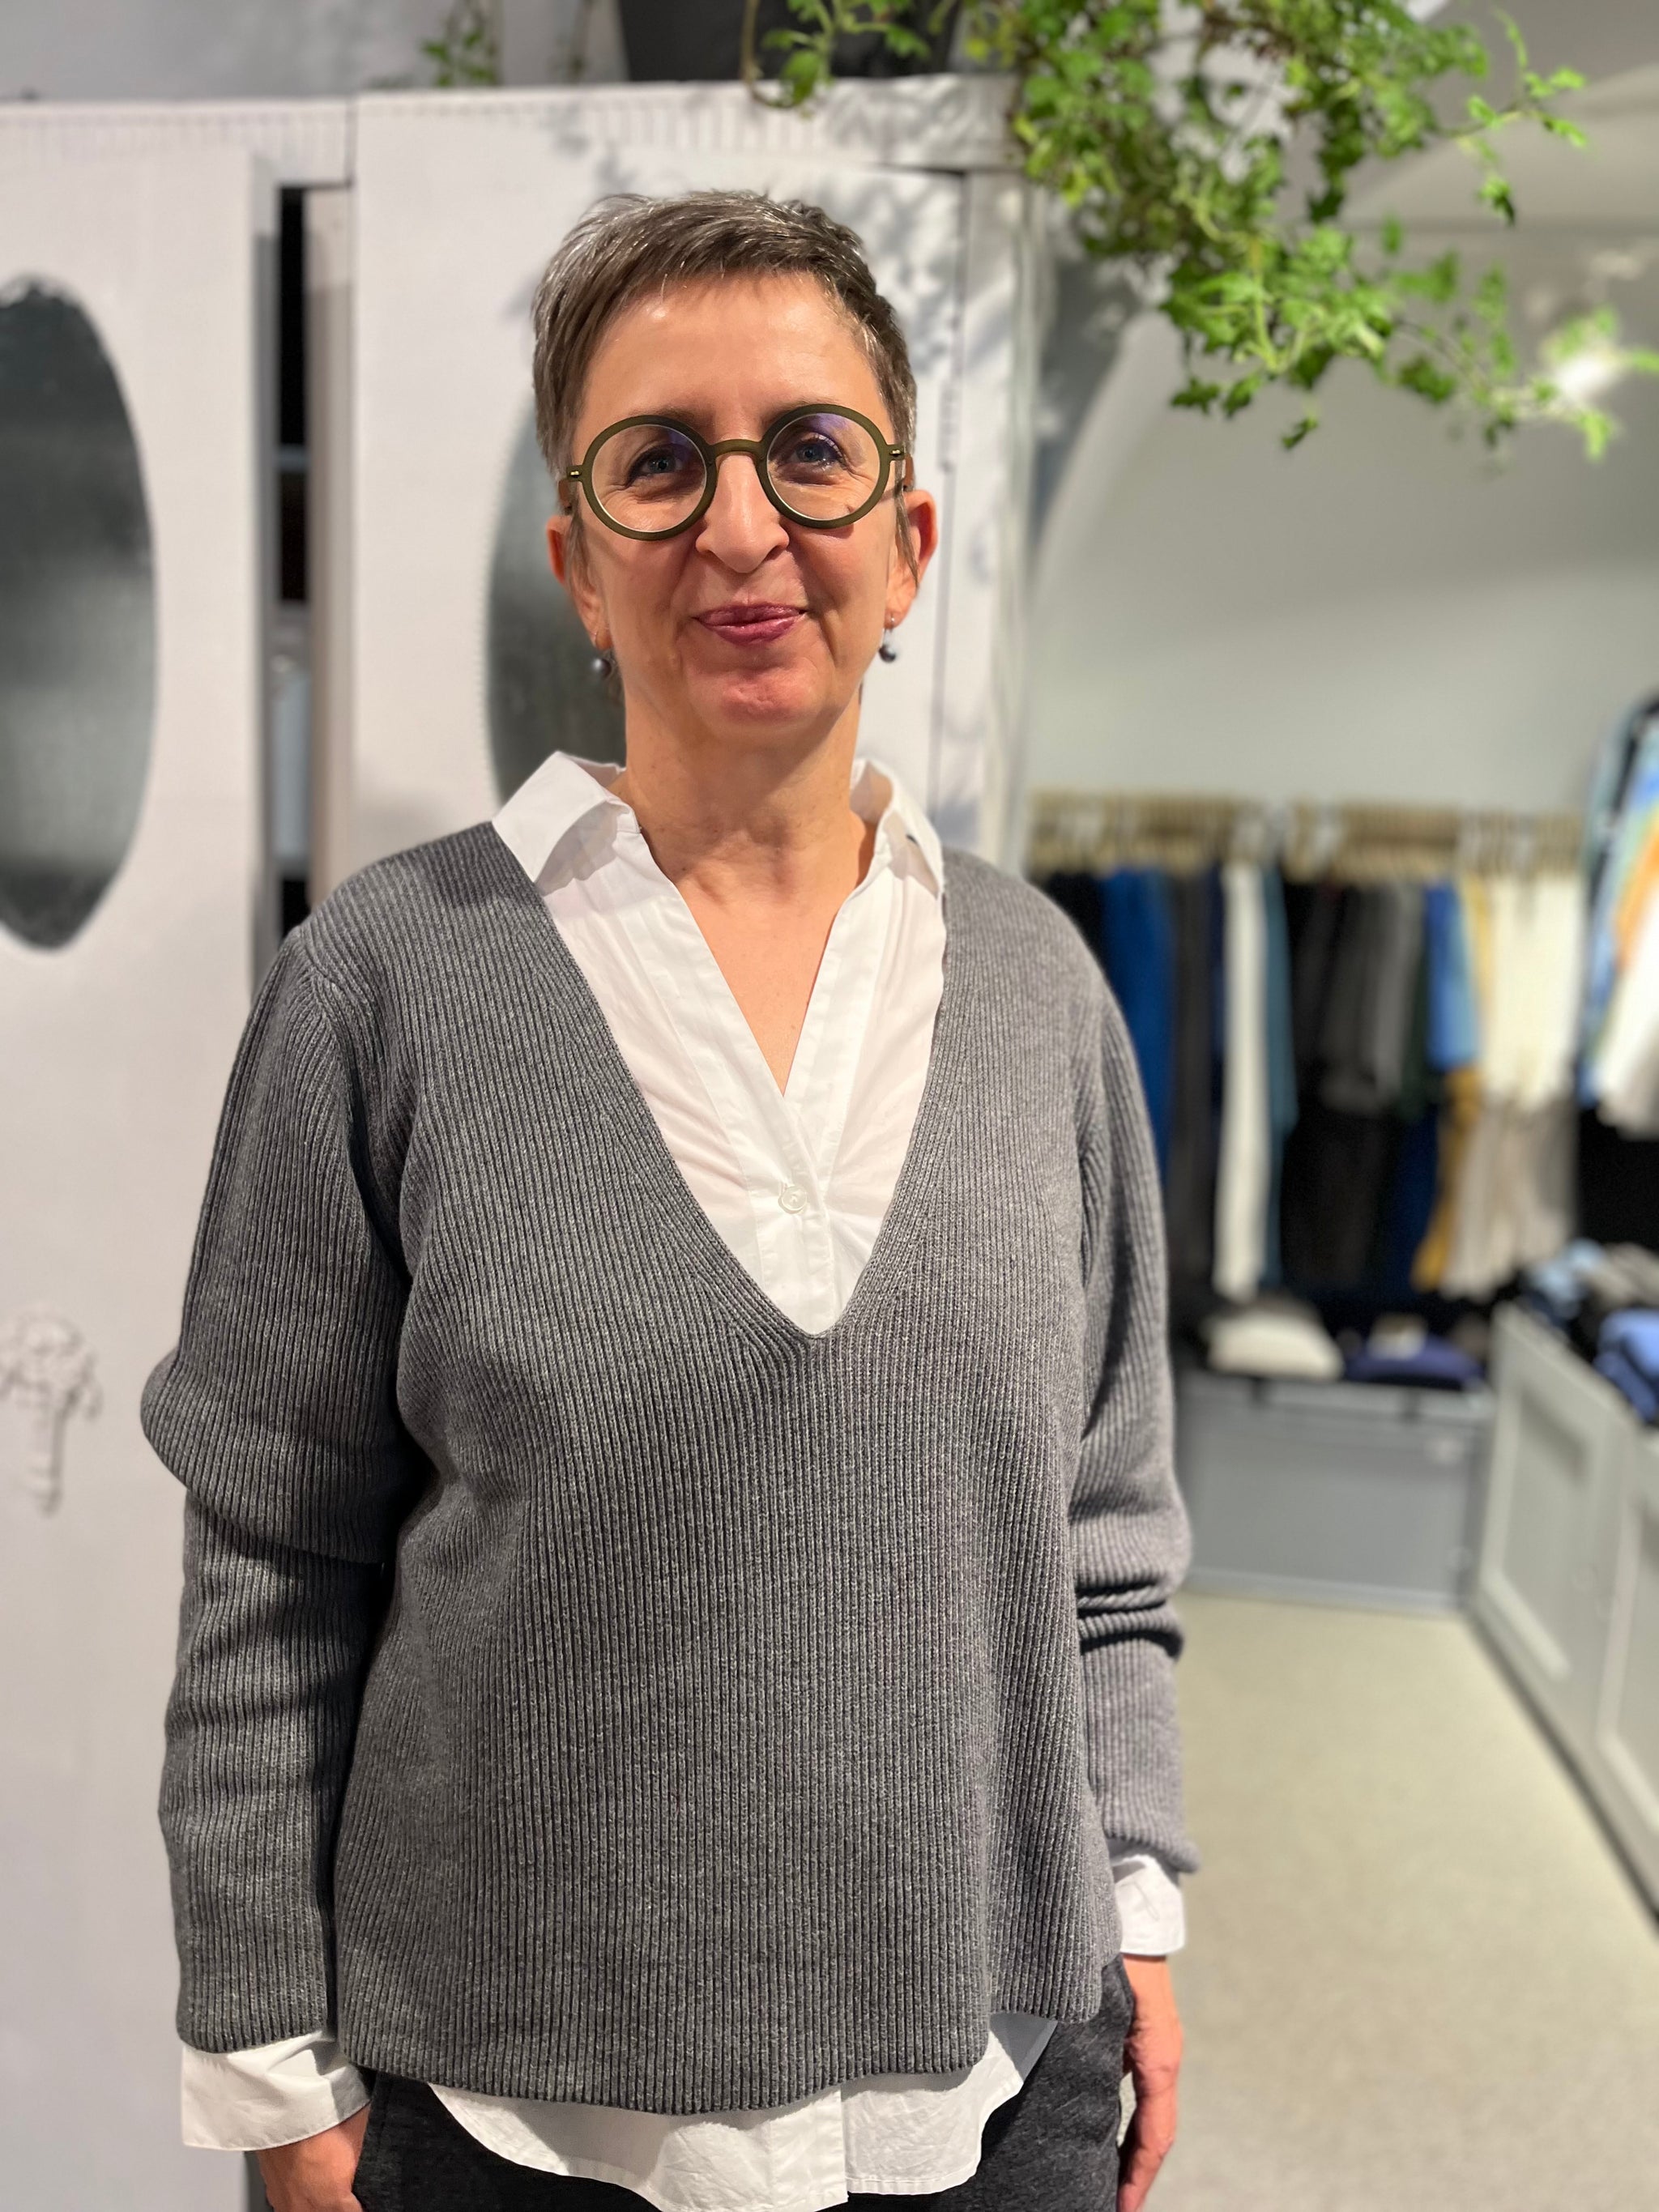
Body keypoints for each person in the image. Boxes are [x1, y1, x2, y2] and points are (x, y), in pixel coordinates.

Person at [143, 189, 1196, 2212]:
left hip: (989, 2090)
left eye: (808, 450)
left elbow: (1106, 1539)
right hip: (502, 2121)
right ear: (578, 564)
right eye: (658, 463)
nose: (739, 525)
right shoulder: (387, 982)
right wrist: (271, 2064)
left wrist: (1135, 1908)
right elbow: (271, 1552)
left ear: (908, 541)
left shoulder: (1041, 993)